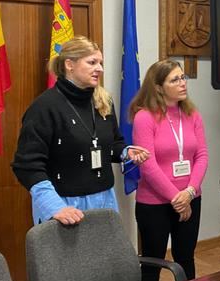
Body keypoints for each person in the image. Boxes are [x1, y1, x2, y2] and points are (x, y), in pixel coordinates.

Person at [12, 36, 148, 226]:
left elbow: (114, 143)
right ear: (70, 64)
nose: (100, 69)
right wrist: (54, 206)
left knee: (105, 256)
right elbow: (26, 165)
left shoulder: (104, 101)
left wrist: (126, 152)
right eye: (92, 62)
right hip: (64, 205)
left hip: (104, 200)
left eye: (100, 63)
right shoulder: (44, 107)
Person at [129, 60, 208, 281]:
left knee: (186, 259)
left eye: (183, 78)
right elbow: (148, 164)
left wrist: (189, 193)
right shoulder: (144, 117)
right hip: (154, 204)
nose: (183, 83)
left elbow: (202, 155)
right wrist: (177, 198)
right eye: (175, 79)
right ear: (159, 87)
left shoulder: (192, 114)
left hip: (191, 198)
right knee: (152, 263)